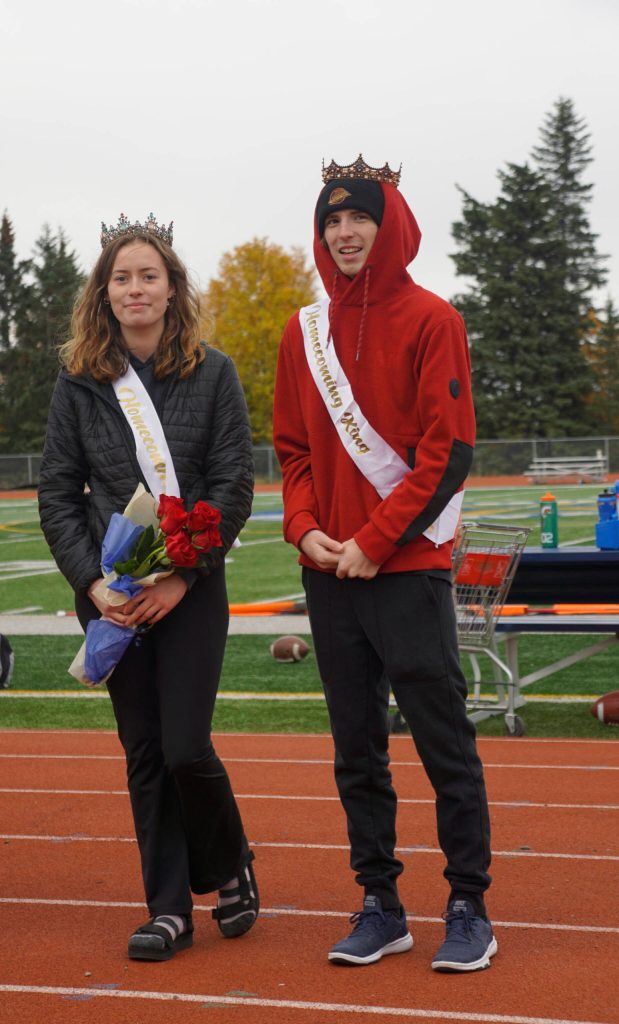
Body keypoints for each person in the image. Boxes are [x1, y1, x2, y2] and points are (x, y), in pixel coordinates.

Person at [273, 158, 495, 973]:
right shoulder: (302, 334)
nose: (344, 233)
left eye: (358, 218)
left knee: (442, 739)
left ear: (388, 224)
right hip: (329, 571)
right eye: (331, 221)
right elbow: (292, 449)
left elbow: (450, 452)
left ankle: (467, 903)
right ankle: (380, 902)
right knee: (355, 744)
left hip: (406, 567)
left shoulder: (434, 318)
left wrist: (374, 539)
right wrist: (304, 531)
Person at [38, 213, 258, 962]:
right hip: (111, 594)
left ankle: (229, 862)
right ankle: (167, 908)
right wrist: (93, 584)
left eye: (148, 276)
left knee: (185, 746)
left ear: (171, 288)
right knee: (141, 749)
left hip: (189, 590)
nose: (134, 288)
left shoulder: (214, 371)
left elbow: (233, 483)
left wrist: (182, 575)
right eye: (120, 277)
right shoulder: (79, 381)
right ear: (104, 293)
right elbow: (59, 493)